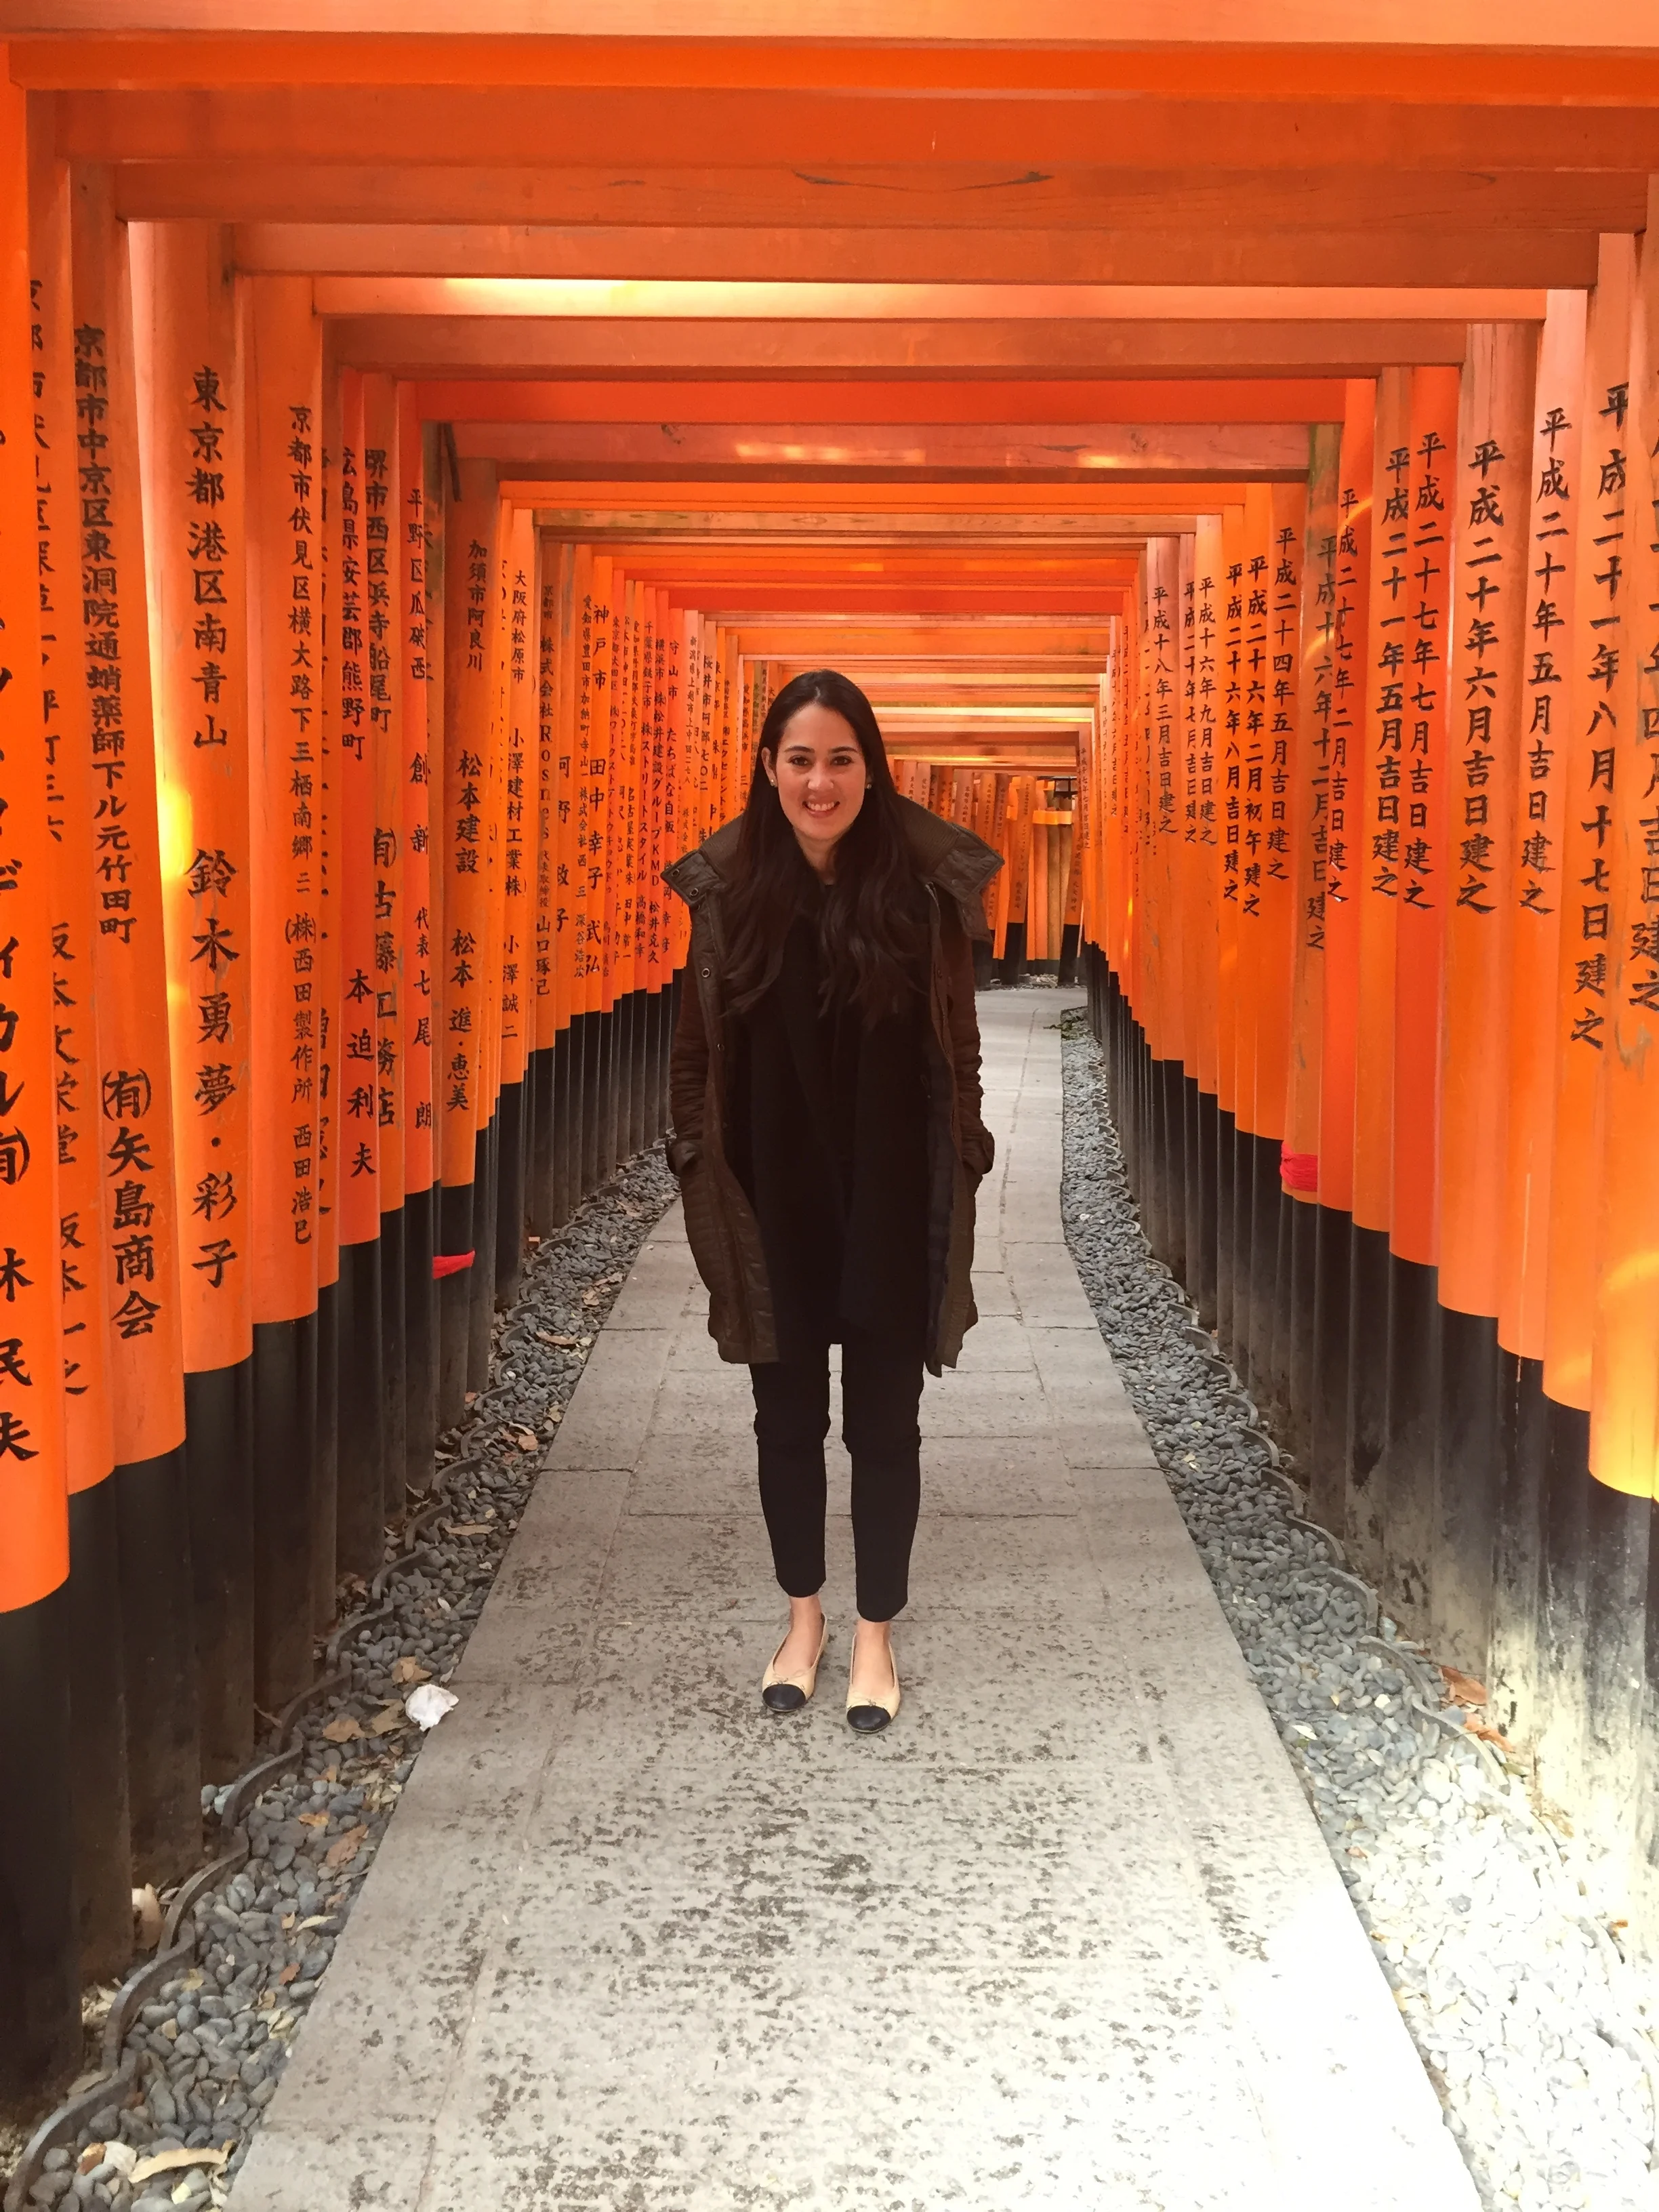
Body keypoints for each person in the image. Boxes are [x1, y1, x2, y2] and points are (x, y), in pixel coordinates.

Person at [663, 670, 1000, 1732]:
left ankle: (875, 1636)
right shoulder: (731, 897)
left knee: (885, 1428)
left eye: (841, 760)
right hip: (774, 1199)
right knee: (785, 1423)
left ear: (870, 770)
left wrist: (966, 1153)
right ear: (769, 768)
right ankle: (802, 1621)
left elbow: (959, 1045)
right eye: (801, 759)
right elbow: (694, 1054)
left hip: (892, 1196)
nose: (821, 782)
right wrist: (695, 1162)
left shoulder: (917, 894)